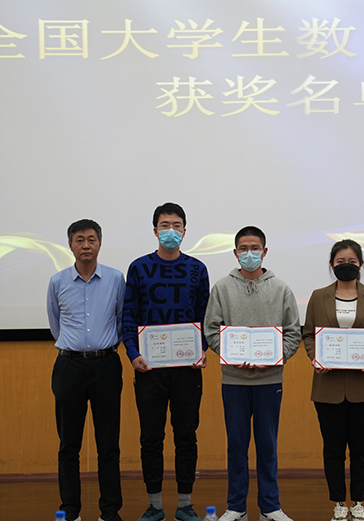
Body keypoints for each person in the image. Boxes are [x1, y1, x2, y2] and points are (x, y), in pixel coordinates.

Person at [204, 226, 301, 521]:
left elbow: (293, 333)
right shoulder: (222, 288)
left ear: (265, 251)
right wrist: (232, 356)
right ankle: (236, 507)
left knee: (267, 445)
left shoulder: (281, 289)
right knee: (236, 445)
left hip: (269, 380)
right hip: (234, 380)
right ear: (235, 253)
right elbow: (211, 330)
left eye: (255, 248)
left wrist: (274, 358)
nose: (249, 253)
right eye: (243, 249)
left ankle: (270, 507)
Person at [122, 203, 210, 521]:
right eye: (164, 225)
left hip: (187, 369)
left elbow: (205, 317)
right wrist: (133, 353)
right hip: (149, 368)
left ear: (185, 231)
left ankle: (185, 503)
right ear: (155, 230)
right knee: (151, 438)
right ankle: (155, 505)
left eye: (176, 225)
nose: (170, 231)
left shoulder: (197, 269)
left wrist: (202, 350)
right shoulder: (139, 268)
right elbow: (129, 315)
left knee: (186, 436)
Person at [302, 239, 364, 521]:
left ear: (360, 264)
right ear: (332, 265)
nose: (346, 266)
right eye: (340, 262)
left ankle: (359, 502)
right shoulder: (319, 296)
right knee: (333, 449)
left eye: (352, 262)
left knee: (362, 450)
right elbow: (308, 334)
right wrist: (315, 357)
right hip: (328, 386)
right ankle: (339, 503)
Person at [47, 219, 126, 521]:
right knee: (69, 444)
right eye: (79, 240)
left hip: (106, 364)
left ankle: (110, 510)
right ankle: (70, 510)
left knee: (108, 444)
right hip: (69, 366)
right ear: (70, 245)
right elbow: (56, 324)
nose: (86, 245)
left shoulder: (116, 279)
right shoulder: (57, 282)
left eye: (91, 239)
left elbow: (121, 319)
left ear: (100, 243)